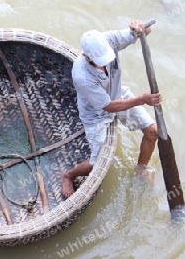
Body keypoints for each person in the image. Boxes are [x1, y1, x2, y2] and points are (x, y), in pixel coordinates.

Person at [61, 20, 162, 199]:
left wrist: (140, 28)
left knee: (152, 131)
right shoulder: (82, 76)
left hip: (118, 94)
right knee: (95, 164)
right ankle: (68, 175)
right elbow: (108, 106)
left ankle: (141, 169)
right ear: (87, 57)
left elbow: (147, 31)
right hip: (96, 114)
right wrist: (141, 99)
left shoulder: (110, 40)